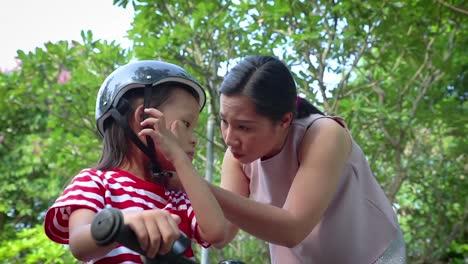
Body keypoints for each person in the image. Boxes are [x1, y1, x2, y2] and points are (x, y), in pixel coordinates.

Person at [208, 55, 406, 263]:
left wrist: (200, 186)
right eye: (224, 121)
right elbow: (221, 232)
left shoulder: (325, 134)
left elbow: (292, 229)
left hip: (371, 255)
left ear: (285, 120)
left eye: (244, 127)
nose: (229, 138)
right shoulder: (238, 155)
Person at [44, 60, 226, 263]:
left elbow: (217, 232)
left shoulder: (176, 196)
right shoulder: (95, 181)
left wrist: (179, 158)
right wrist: (124, 223)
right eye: (186, 123)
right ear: (144, 118)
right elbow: (79, 243)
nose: (194, 138)